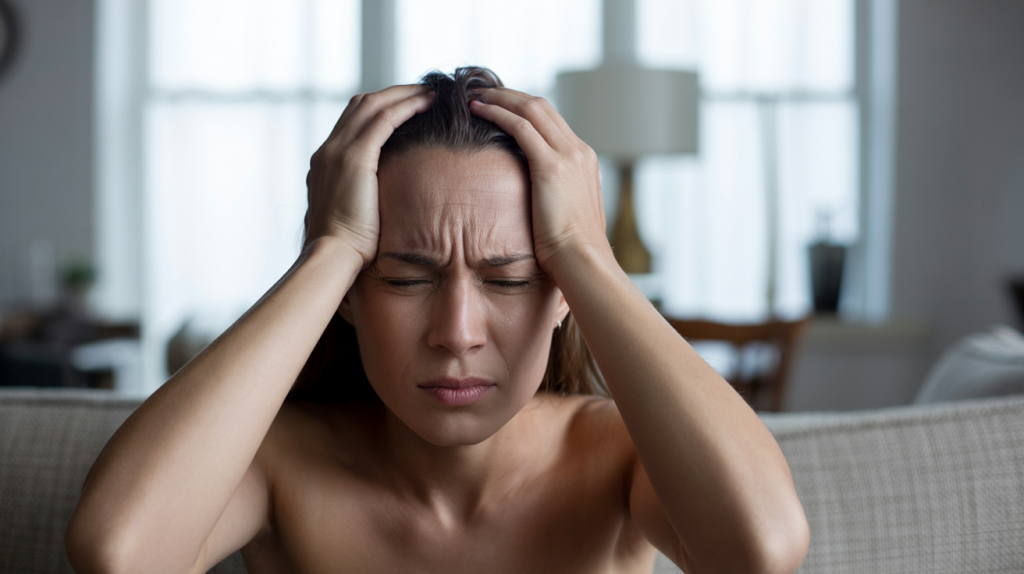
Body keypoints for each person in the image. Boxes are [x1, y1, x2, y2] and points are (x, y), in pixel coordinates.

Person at [66, 67, 809, 574]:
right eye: (403, 276)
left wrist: (587, 255)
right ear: (351, 296)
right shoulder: (281, 464)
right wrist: (329, 252)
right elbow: (118, 554)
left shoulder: (616, 456)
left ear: (563, 299)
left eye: (511, 279)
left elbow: (763, 550)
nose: (456, 333)